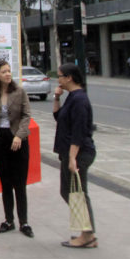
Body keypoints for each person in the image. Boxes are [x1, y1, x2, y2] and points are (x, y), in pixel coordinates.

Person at [0, 59, 34, 238]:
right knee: (5, 182)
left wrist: (19, 135)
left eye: (9, 71)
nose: (8, 74)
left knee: (20, 183)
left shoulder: (19, 91)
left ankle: (24, 222)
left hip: (18, 140)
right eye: (4, 71)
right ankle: (9, 220)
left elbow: (26, 115)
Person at [52, 62, 98, 248]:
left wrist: (72, 158)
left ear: (69, 78)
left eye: (60, 76)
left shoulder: (79, 100)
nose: (58, 79)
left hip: (79, 153)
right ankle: (87, 232)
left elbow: (78, 132)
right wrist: (56, 97)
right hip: (70, 152)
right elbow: (59, 117)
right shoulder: (72, 97)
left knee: (78, 193)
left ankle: (88, 235)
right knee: (69, 192)